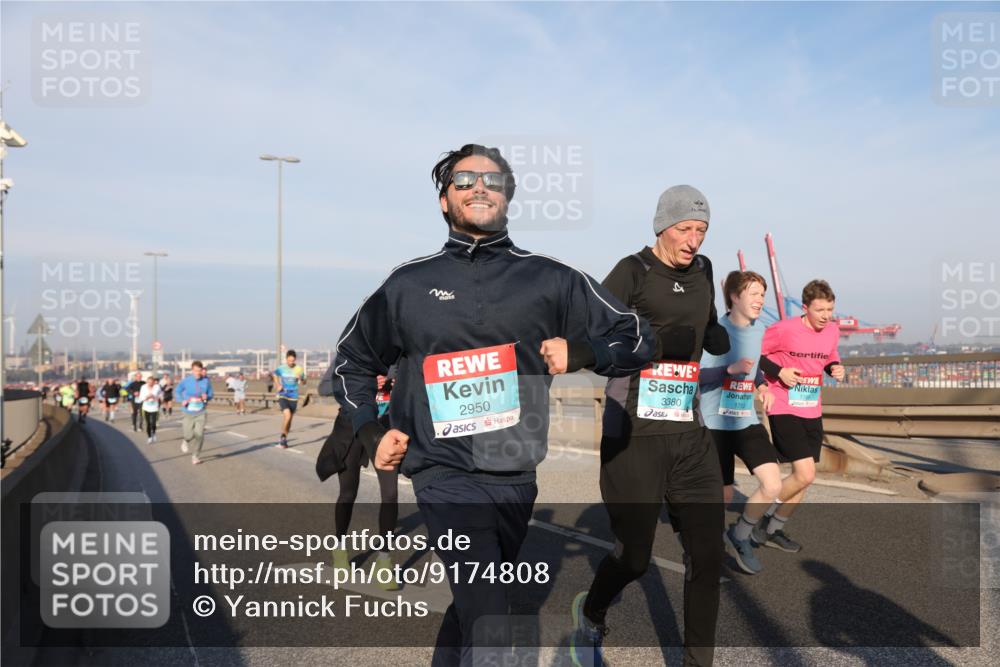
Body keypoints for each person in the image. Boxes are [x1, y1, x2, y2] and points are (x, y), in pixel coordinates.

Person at [322, 143, 653, 666]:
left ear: (508, 196)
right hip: (441, 471)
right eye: (464, 180)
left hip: (516, 471)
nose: (480, 187)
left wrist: (584, 351)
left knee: (475, 606)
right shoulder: (409, 284)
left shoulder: (551, 277)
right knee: (492, 622)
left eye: (493, 180)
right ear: (443, 200)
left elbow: (638, 337)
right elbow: (350, 362)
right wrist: (370, 430)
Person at [574, 185, 731, 667]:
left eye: (701, 230)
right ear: (661, 226)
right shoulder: (632, 271)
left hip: (688, 431)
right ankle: (593, 609)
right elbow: (590, 336)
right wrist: (651, 345)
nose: (694, 240)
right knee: (635, 557)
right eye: (685, 228)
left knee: (707, 557)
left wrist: (713, 332)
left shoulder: (704, 271)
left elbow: (703, 322)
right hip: (634, 432)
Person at [753, 279, 845, 552]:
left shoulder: (832, 331)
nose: (826, 316)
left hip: (811, 408)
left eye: (830, 309)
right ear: (805, 308)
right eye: (820, 310)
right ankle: (752, 519)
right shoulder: (782, 329)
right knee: (804, 474)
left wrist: (835, 368)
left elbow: (829, 356)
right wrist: (778, 372)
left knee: (806, 476)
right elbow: (755, 356)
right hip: (783, 404)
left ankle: (772, 529)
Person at [698, 270, 781, 575]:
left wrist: (761, 385)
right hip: (715, 423)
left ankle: (741, 535)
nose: (760, 300)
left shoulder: (759, 331)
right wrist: (727, 370)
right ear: (734, 296)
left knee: (772, 484)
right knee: (724, 495)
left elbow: (754, 367)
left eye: (762, 294)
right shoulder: (714, 332)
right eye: (754, 293)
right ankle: (712, 551)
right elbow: (695, 377)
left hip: (745, 419)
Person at [319, 369, 400, 590]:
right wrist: (366, 383)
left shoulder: (397, 354)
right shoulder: (350, 352)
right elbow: (324, 387)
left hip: (384, 432)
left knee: (391, 495)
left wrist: (394, 383)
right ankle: (339, 548)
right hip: (352, 429)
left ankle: (384, 561)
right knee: (348, 493)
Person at [175, 361, 213, 465]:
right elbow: (177, 391)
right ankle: (186, 440)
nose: (198, 372)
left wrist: (207, 397)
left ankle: (195, 456)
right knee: (189, 434)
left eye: (199, 370)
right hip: (188, 411)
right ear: (192, 370)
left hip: (201, 411)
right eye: (196, 370)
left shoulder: (206, 381)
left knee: (199, 435)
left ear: (202, 370)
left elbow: (210, 393)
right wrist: (181, 400)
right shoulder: (186, 381)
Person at [273, 350, 306, 448]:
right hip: (283, 394)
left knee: (290, 419)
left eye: (292, 361)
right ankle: (283, 437)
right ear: (286, 359)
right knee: (287, 415)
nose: (291, 362)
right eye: (289, 360)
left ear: (295, 360)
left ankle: (284, 439)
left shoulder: (299, 369)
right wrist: (278, 384)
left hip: (294, 396)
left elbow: (304, 383)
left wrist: (301, 378)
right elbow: (275, 375)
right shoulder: (281, 368)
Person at [138, 375, 164, 443]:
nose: (150, 383)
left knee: (153, 423)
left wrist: (157, 397)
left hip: (155, 407)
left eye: (151, 382)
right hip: (146, 407)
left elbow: (161, 394)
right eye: (148, 382)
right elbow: (141, 398)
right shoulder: (143, 387)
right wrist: (146, 397)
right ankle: (149, 437)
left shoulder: (157, 387)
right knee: (148, 423)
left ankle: (154, 433)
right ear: (147, 382)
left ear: (154, 382)